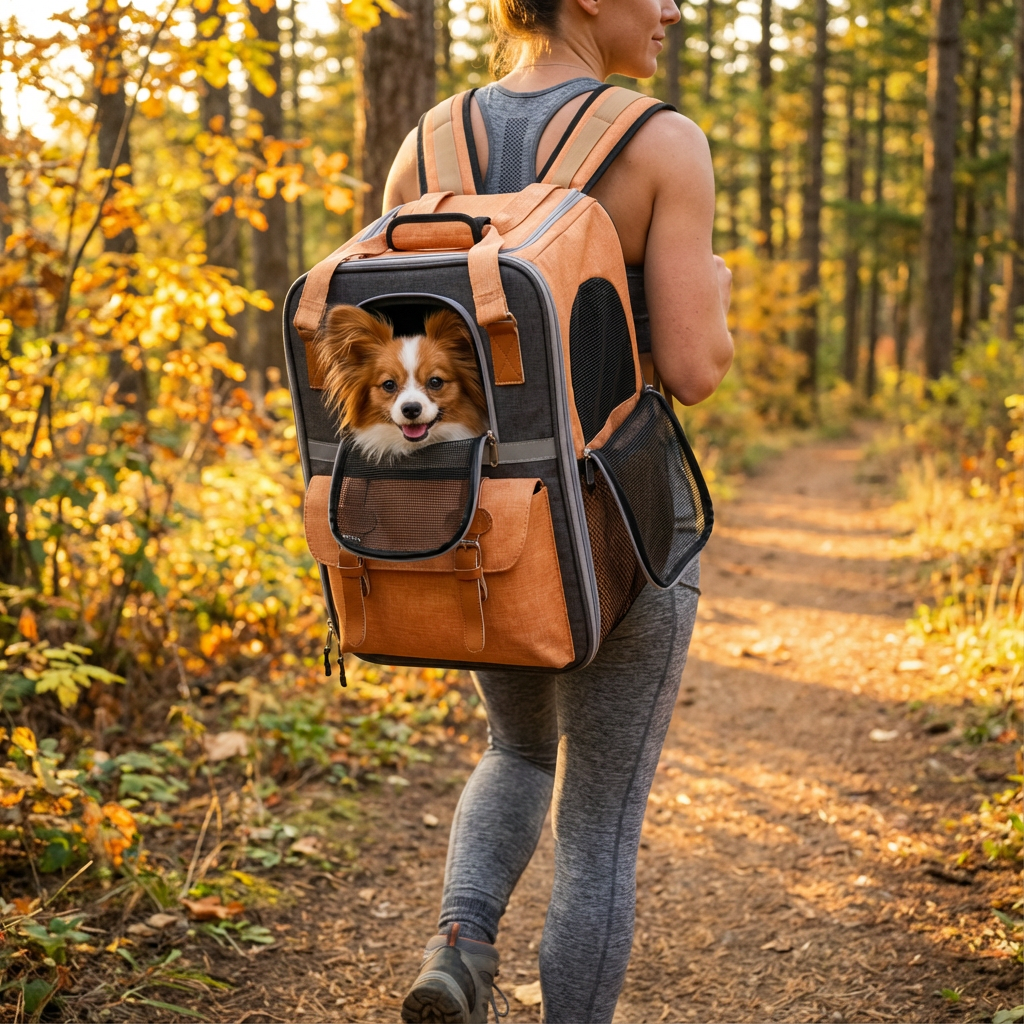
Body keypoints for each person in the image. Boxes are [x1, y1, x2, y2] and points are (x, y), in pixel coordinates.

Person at [383, 0, 734, 1017]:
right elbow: (693, 368)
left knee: (517, 747)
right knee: (600, 823)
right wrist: (712, 286)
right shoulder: (660, 141)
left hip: (481, 524)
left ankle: (458, 944)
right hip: (622, 529)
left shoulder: (427, 146)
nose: (672, 8)